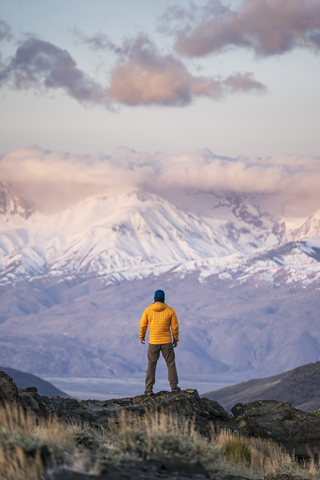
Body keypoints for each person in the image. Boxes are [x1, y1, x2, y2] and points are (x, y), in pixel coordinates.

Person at [139, 289, 181, 395]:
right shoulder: (170, 310)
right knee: (171, 364)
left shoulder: (148, 310)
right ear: (163, 298)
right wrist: (175, 339)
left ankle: (148, 390)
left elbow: (143, 325)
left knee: (151, 366)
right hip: (167, 341)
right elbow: (175, 326)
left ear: (154, 298)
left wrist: (142, 336)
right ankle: (174, 388)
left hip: (153, 342)